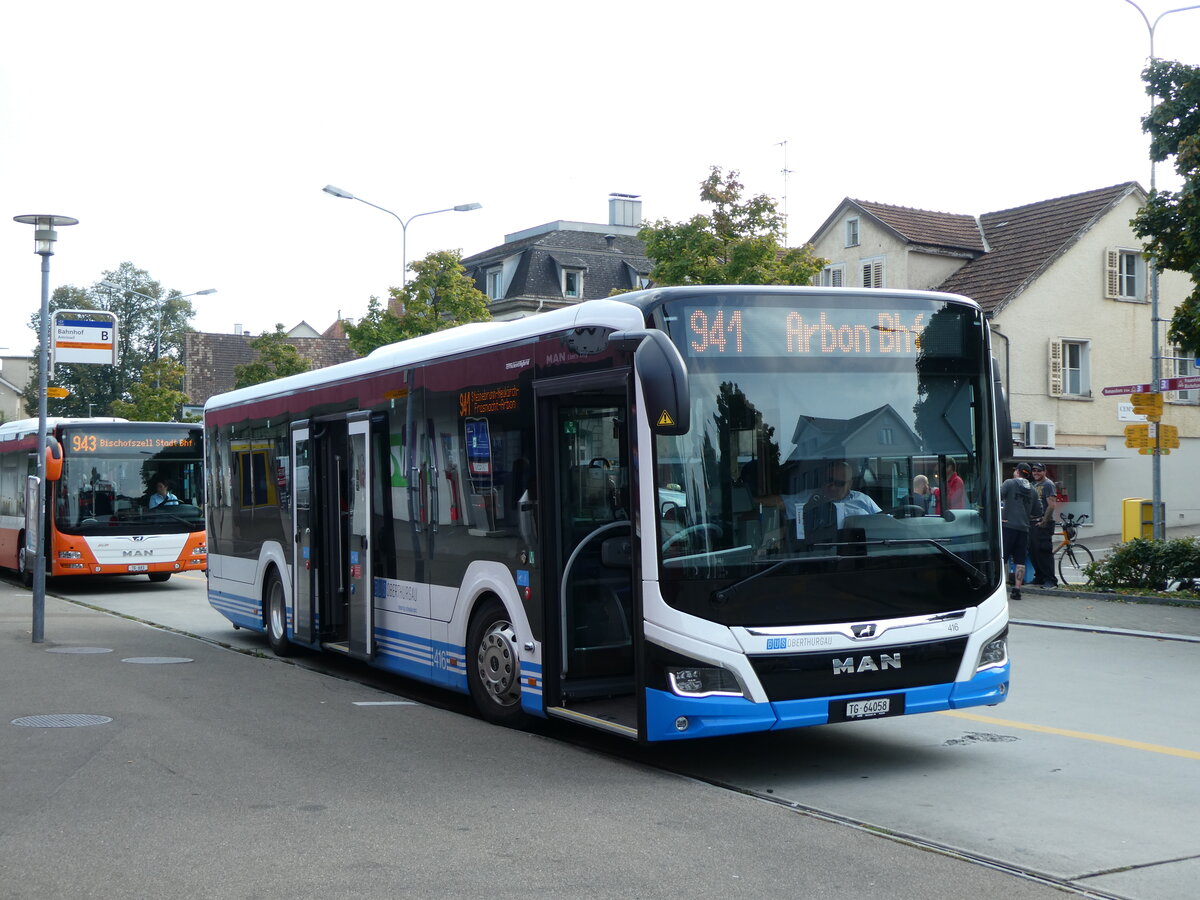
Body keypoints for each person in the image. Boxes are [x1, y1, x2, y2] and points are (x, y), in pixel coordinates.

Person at [798, 460, 882, 539]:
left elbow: (883, 522)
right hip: (815, 550)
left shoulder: (863, 500)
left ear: (849, 484)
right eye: (829, 481)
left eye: (839, 483)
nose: (833, 487)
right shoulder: (809, 497)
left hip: (859, 549)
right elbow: (785, 505)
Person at [1000, 462, 1035, 600]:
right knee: (1020, 560)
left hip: (1008, 526)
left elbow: (997, 495)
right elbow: (1037, 510)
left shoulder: (1009, 483)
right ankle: (1017, 589)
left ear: (1018, 472)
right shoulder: (1032, 490)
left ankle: (1000, 587)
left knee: (1003, 557)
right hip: (1024, 529)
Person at [1028, 463, 1059, 586]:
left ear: (1044, 472)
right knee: (1034, 552)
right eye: (1034, 470)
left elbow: (1051, 505)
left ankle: (1050, 580)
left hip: (1043, 524)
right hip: (1034, 523)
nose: (1036, 473)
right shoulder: (1035, 485)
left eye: (1039, 471)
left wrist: (1044, 521)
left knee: (1044, 552)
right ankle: (1039, 577)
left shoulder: (1048, 484)